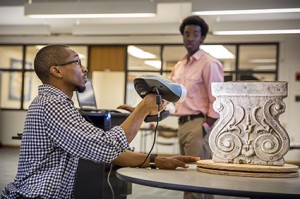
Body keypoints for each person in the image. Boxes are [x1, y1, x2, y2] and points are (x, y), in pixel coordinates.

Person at [1, 45, 199, 199]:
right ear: (56, 71)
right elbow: (105, 146)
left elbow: (101, 150)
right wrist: (142, 108)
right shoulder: (51, 105)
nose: (84, 68)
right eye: (77, 62)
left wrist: (156, 160)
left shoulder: (56, 104)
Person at [170, 15, 224, 199]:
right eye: (186, 34)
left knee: (197, 179)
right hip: (182, 124)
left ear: (202, 38)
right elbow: (171, 94)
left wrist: (206, 127)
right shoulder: (180, 65)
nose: (190, 38)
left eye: (195, 34)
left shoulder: (209, 63)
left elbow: (217, 100)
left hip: (198, 124)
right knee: (189, 176)